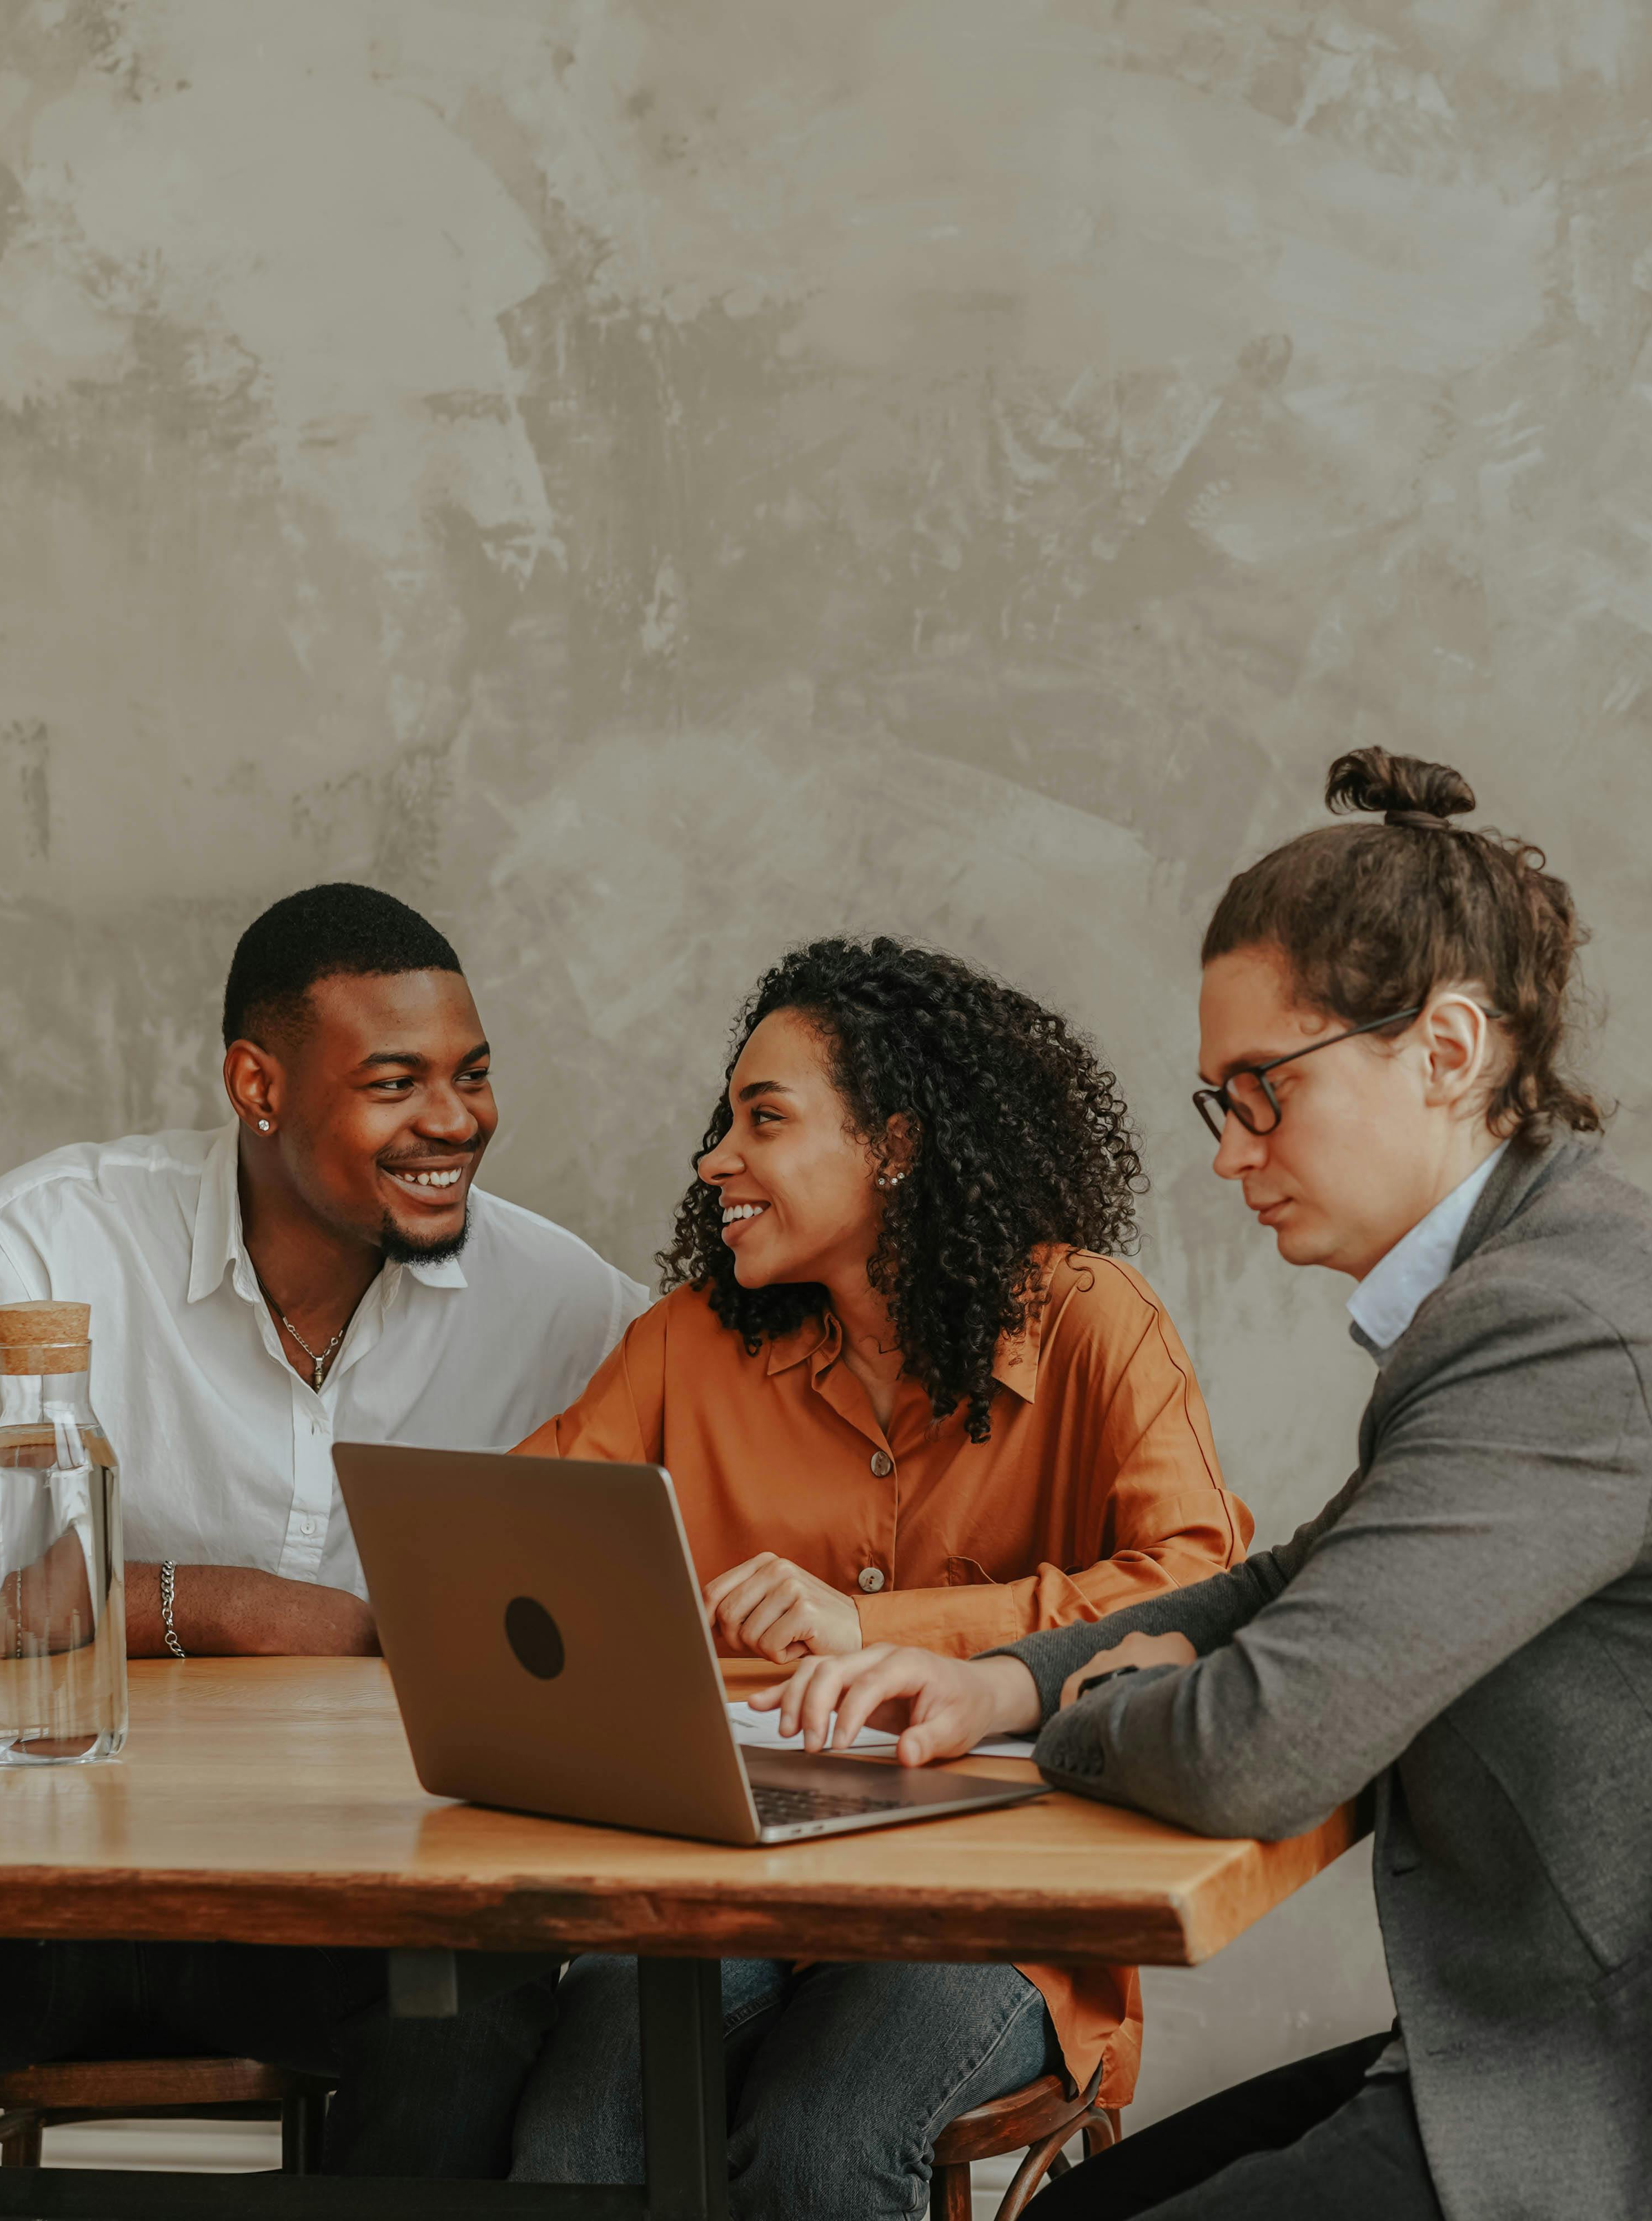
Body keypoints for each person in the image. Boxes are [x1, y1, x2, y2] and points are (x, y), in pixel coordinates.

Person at [762, 753, 1652, 2221]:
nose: (1231, 1152)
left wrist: (1105, 1708)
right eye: (1213, 1101)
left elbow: (1260, 1749)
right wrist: (1002, 1685)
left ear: (1444, 1050)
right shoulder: (1542, 1271)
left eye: (1265, 1093)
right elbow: (1306, 1583)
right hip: (1613, 2032)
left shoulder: (1559, 1326)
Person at [0, 883, 647, 2174]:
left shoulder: (565, 1303)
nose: (455, 1121)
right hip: (9, 1894)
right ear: (258, 1083)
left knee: (478, 2012)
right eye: (397, 1081)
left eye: (472, 1074)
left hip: (355, 1916)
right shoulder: (50, 1241)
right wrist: (212, 1604)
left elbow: (691, 1551)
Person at [501, 937, 1252, 2215]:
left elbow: (1196, 1585)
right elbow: (516, 1553)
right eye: (721, 1122)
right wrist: (646, 1613)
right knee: (576, 2141)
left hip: (1003, 1909)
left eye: (765, 1119)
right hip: (725, 1888)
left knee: (816, 2143)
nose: (714, 1161)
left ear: (895, 1144)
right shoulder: (688, 1343)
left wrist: (881, 1625)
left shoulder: (1091, 1321)